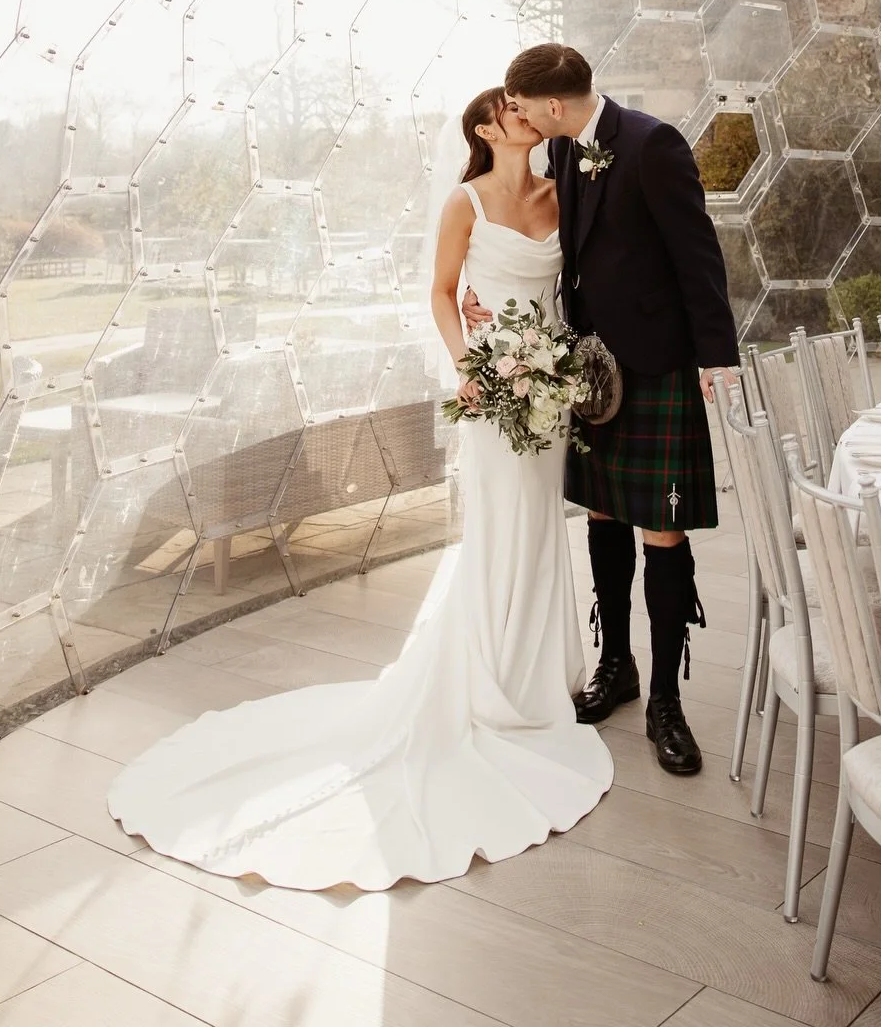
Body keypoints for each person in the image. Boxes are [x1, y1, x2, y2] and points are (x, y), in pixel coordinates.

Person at [105, 86, 611, 889]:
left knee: (543, 526)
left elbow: (571, 287)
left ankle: (542, 676)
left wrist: (560, 361)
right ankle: (489, 685)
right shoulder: (465, 202)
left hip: (549, 389)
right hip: (492, 390)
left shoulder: (562, 192)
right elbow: (441, 292)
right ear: (486, 129)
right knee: (500, 528)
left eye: (527, 106)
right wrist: (470, 366)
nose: (524, 114)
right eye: (508, 108)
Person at [465, 44, 740, 776]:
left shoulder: (652, 144)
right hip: (589, 370)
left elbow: (698, 255)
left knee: (663, 530)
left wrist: (715, 357)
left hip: (657, 365)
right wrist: (480, 302)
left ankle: (666, 704)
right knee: (603, 516)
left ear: (553, 106)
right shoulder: (562, 153)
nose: (517, 116)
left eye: (522, 106)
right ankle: (617, 666)